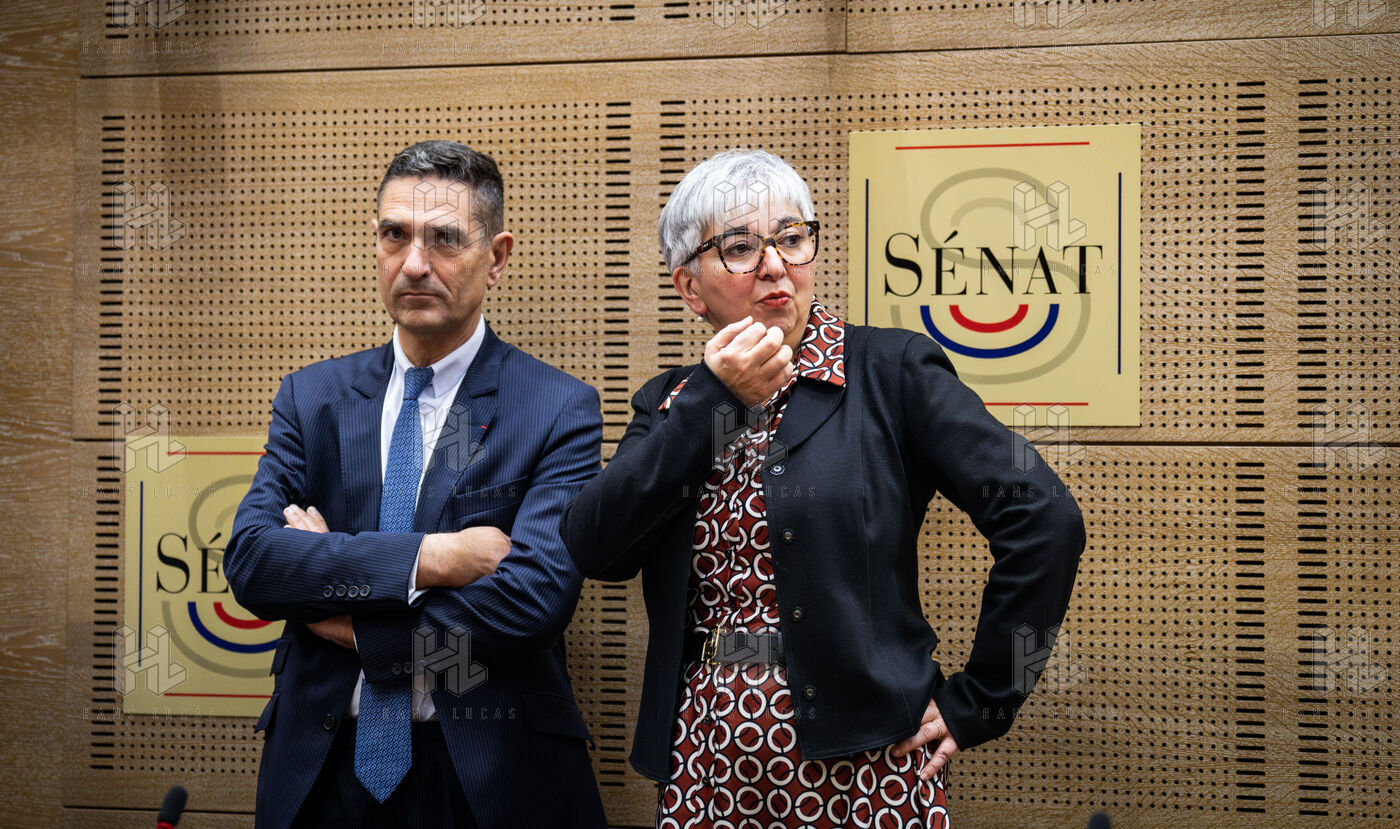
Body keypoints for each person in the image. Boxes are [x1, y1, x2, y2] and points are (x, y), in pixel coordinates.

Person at [560, 149, 1085, 827]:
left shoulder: (891, 371)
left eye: (791, 237)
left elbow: (1045, 518)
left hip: (868, 759)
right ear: (690, 287)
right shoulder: (670, 402)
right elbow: (594, 547)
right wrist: (713, 400)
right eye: (740, 248)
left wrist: (983, 698)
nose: (775, 265)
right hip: (706, 755)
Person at [225, 140, 608, 829]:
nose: (414, 263)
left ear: (497, 257)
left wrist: (347, 621)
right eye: (395, 235)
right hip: (321, 773)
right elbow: (255, 562)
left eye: (445, 239)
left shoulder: (556, 407)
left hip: (487, 775)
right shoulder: (313, 399)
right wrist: (434, 557)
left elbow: (530, 602)